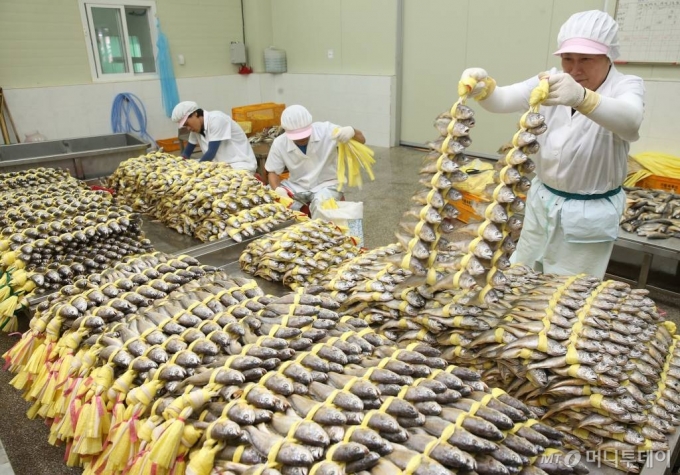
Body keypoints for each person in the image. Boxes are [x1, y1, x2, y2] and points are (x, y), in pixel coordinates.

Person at [459, 10, 644, 279]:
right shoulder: (552, 81)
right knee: (523, 274)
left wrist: (583, 98)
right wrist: (483, 89)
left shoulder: (626, 86)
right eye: (568, 58)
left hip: (589, 212)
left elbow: (631, 122)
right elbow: (503, 100)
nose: (575, 69)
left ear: (608, 57)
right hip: (542, 200)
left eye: (586, 59)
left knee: (570, 290)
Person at [265, 105, 366, 216]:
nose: (301, 138)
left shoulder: (326, 130)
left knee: (321, 206)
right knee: (268, 199)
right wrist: (278, 189)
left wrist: (352, 131)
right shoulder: (280, 143)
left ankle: (318, 231)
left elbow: (362, 140)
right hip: (297, 185)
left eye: (304, 134)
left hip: (326, 183)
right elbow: (273, 172)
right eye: (296, 136)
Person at [171, 101, 257, 172]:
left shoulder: (217, 119)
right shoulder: (196, 128)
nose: (188, 128)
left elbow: (211, 153)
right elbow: (187, 153)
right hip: (221, 166)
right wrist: (177, 164)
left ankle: (257, 178)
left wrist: (195, 170)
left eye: (187, 124)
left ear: (195, 114)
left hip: (240, 165)